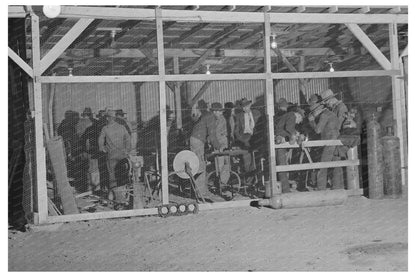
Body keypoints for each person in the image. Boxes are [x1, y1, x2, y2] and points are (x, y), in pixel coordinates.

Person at [308, 103, 343, 190]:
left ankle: (321, 188)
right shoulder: (332, 113)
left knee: (323, 165)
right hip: (337, 142)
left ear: (317, 110)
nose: (313, 115)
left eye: (313, 112)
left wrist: (311, 121)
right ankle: (337, 187)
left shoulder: (324, 115)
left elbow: (318, 130)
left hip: (329, 143)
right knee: (336, 166)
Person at [189, 102, 220, 199]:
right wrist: (218, 147)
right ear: (215, 111)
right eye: (219, 112)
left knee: (199, 165)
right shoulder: (211, 117)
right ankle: (200, 193)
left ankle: (197, 191)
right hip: (197, 141)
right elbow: (212, 135)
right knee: (200, 166)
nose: (220, 114)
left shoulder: (206, 115)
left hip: (195, 139)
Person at [98, 109, 132, 192]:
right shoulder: (122, 127)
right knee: (123, 173)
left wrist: (102, 148)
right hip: (122, 155)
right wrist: (127, 150)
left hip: (111, 155)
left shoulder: (105, 128)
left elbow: (100, 140)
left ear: (107, 118)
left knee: (112, 175)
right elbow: (128, 139)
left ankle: (114, 194)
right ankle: (124, 192)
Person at [275, 108, 305, 193]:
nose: (299, 122)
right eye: (300, 120)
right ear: (298, 115)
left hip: (281, 139)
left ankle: (285, 189)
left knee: (282, 166)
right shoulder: (292, 115)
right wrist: (296, 135)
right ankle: (285, 190)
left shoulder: (289, 115)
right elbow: (289, 128)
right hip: (280, 142)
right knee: (282, 166)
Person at [234, 98, 261, 180]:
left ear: (250, 105)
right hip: (245, 138)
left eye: (246, 106)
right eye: (242, 107)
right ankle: (249, 178)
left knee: (257, 158)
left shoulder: (257, 113)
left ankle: (257, 178)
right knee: (247, 158)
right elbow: (236, 131)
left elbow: (261, 126)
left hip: (256, 138)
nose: (244, 109)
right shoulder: (239, 116)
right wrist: (240, 139)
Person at [211, 103, 231, 197]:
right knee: (219, 166)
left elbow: (219, 133)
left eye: (217, 111)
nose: (216, 113)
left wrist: (221, 146)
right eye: (215, 111)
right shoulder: (215, 119)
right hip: (218, 144)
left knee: (223, 165)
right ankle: (221, 186)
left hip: (222, 144)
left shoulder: (221, 119)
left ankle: (223, 186)